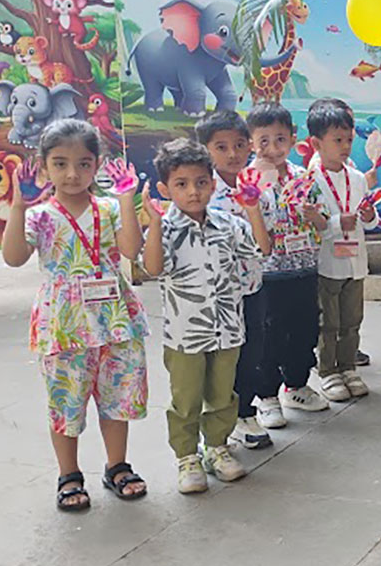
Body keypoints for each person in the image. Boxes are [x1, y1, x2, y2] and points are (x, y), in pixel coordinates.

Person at [0, 120, 149, 511]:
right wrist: (18, 205)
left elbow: (131, 250)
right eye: (60, 163)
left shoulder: (109, 209)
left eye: (84, 164)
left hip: (115, 322)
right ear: (43, 166)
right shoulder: (39, 216)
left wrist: (127, 199)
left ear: (97, 165)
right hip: (64, 326)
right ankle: (69, 475)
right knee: (65, 402)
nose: (72, 174)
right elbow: (13, 257)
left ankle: (117, 466)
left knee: (117, 398)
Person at [141, 138, 270, 493]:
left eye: (200, 182)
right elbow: (153, 268)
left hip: (227, 329)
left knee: (223, 395)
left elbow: (261, 249)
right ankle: (187, 457)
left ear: (213, 184)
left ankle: (217, 448)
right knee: (186, 400)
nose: (193, 192)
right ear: (165, 190)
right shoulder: (165, 229)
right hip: (185, 335)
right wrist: (154, 224)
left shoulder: (228, 224)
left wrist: (252, 209)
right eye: (181, 184)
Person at [248, 102, 329, 426]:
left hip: (305, 269)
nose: (272, 148)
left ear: (293, 139)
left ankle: (296, 385)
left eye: (280, 139)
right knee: (269, 335)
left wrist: (315, 215)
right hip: (268, 275)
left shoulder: (303, 176)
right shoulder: (249, 180)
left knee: (305, 329)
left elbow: (324, 221)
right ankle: (266, 396)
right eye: (263, 141)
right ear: (251, 142)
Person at [198, 109, 271, 451]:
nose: (233, 154)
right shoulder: (201, 193)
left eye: (240, 145)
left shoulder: (257, 189)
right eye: (221, 147)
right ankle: (213, 424)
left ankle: (244, 412)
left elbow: (265, 243)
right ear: (205, 150)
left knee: (251, 352)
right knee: (216, 359)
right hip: (213, 295)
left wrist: (254, 208)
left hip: (251, 288)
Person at [306, 98, 376, 401]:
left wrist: (369, 217)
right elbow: (312, 227)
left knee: (352, 320)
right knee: (328, 322)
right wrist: (337, 222)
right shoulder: (310, 181)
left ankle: (348, 367)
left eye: (349, 139)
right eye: (338, 140)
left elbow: (368, 221)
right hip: (328, 263)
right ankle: (328, 371)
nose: (346, 146)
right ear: (316, 143)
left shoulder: (357, 179)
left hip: (355, 262)